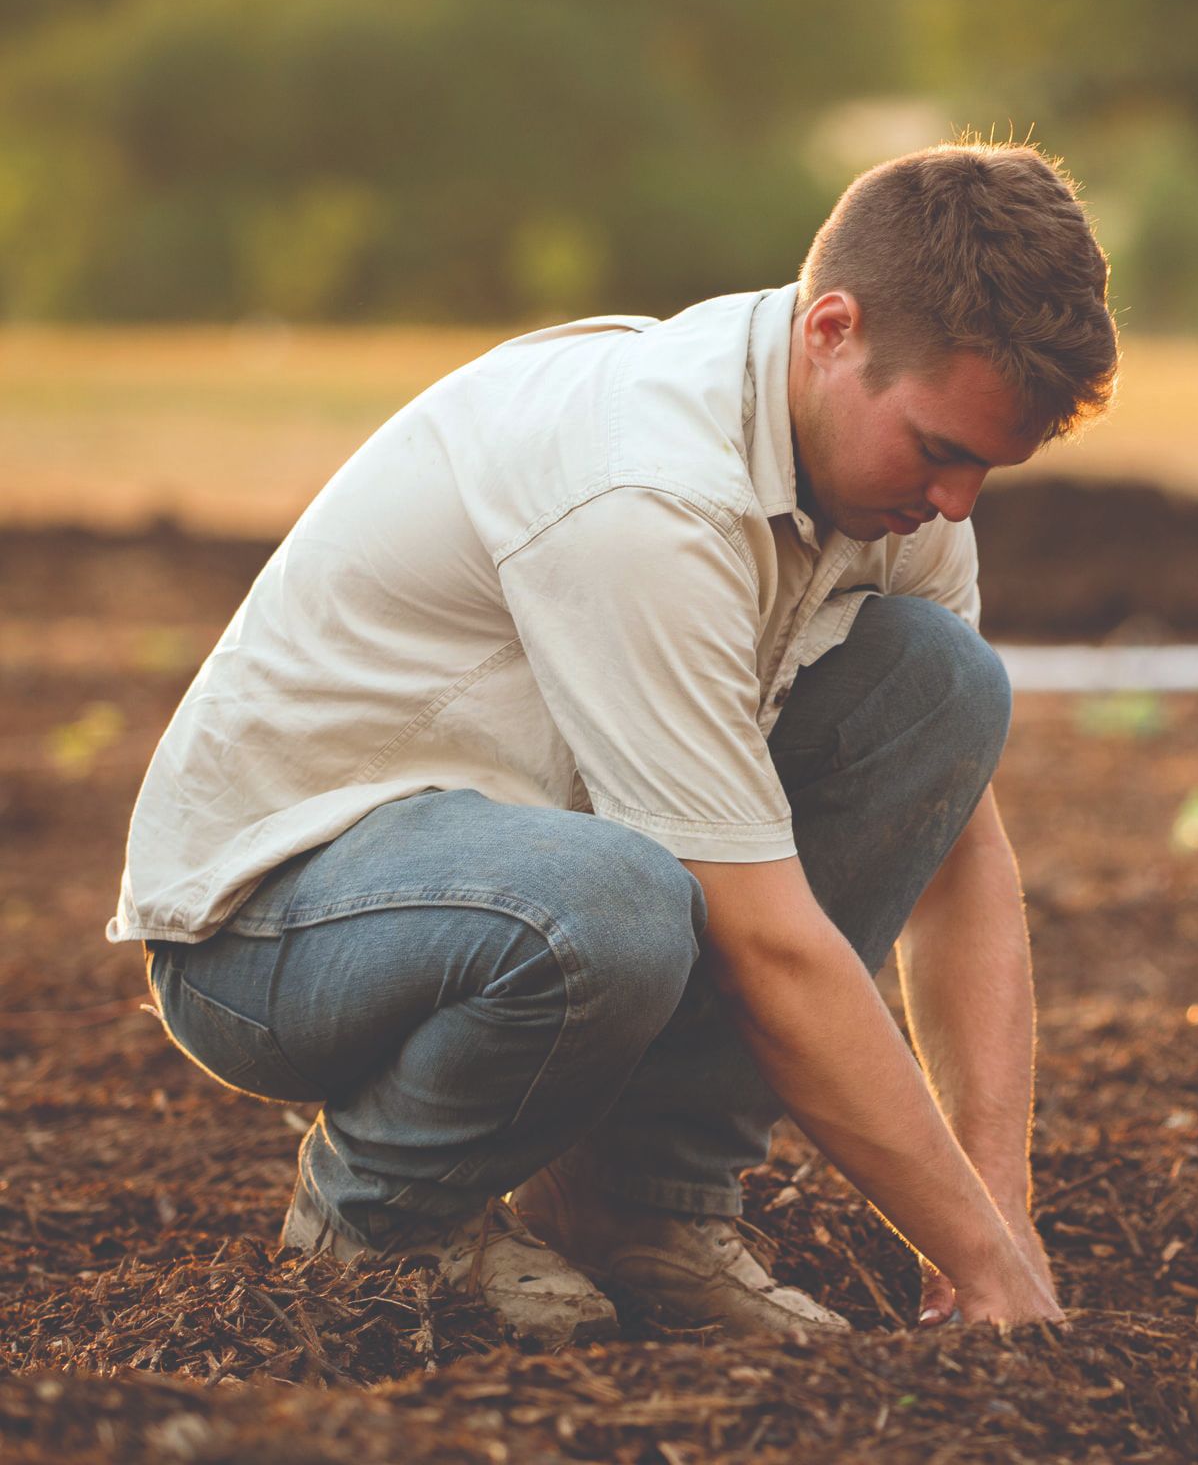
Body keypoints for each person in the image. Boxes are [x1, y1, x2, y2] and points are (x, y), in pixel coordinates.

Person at [109, 142, 1116, 1347]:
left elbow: (956, 855)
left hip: (515, 871)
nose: (956, 504)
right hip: (269, 927)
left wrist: (1000, 1221)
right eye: (940, 450)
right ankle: (383, 1222)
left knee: (943, 687)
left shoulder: (892, 495)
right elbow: (769, 947)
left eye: (986, 469)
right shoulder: (645, 489)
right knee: (619, 901)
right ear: (832, 331)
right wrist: (968, 1252)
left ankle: (641, 1207)